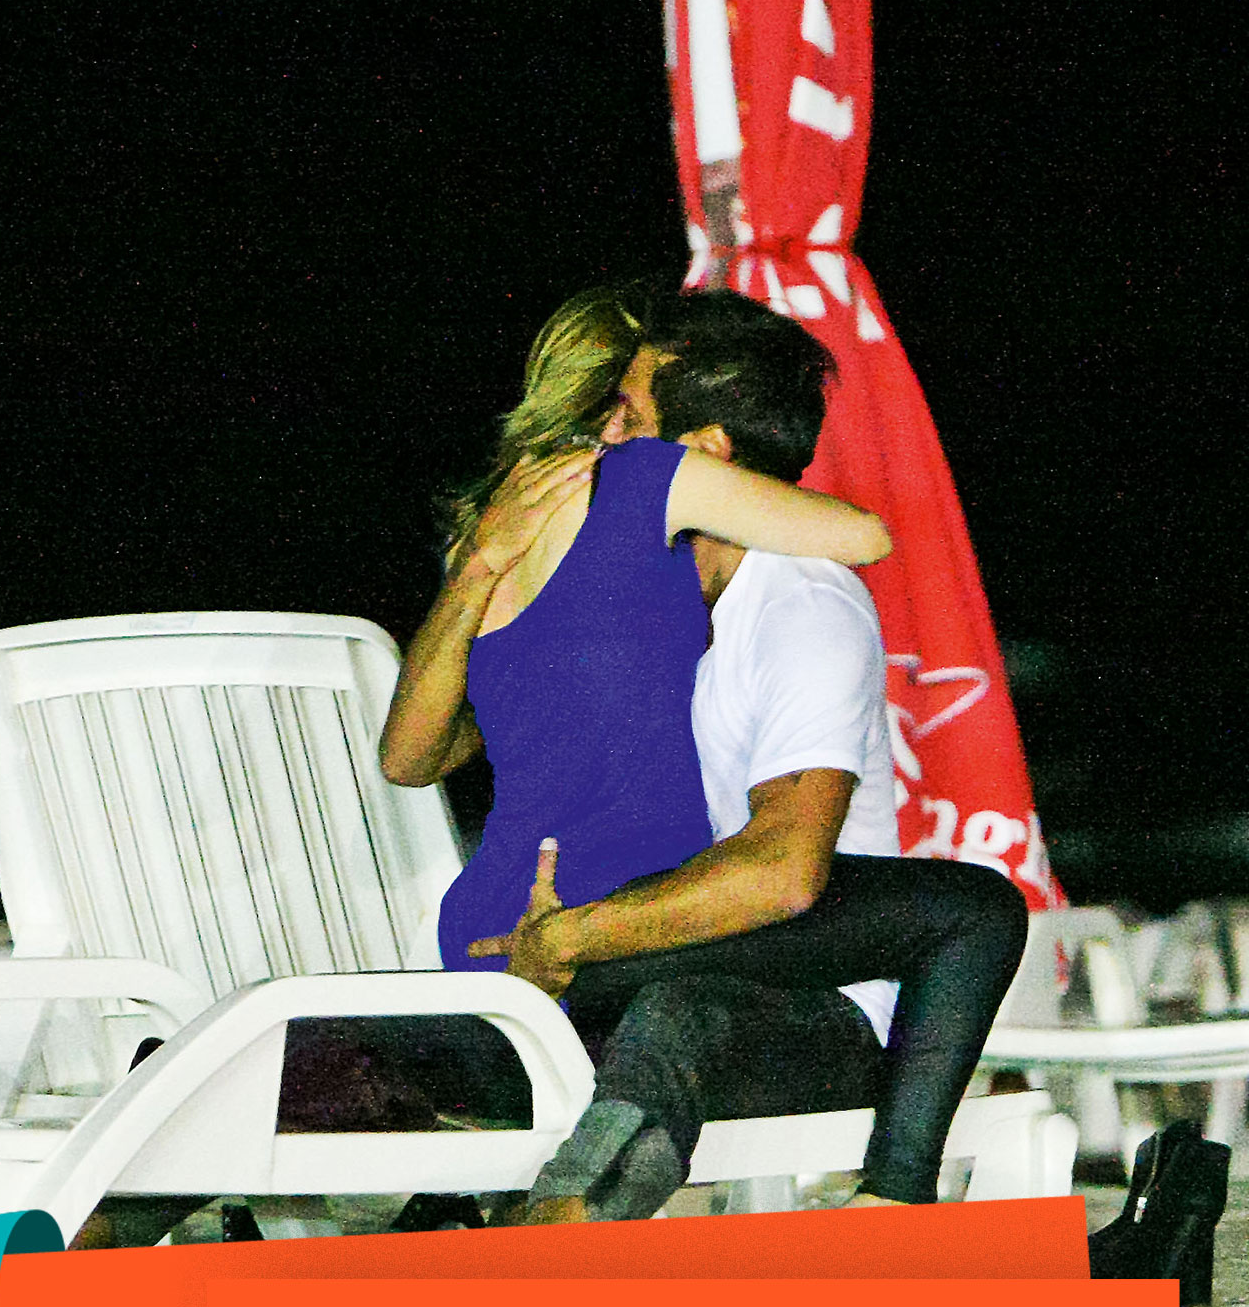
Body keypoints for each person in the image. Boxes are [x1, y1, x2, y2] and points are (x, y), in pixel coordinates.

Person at [466, 289, 1030, 1221]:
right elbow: (450, 747)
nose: (604, 437)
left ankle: (880, 1204)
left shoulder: (802, 607)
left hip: (817, 1009)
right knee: (523, 1016)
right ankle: (461, 1233)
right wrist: (484, 572)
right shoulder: (639, 599)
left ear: (705, 455)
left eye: (628, 418)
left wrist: (568, 939)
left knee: (957, 915)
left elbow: (784, 872)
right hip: (665, 960)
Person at [378, 289, 891, 981]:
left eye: (629, 411)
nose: (617, 432)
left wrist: (477, 562)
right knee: (965, 910)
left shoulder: (497, 538)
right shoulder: (647, 478)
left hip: (486, 923)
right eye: (620, 408)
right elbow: (868, 536)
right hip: (609, 926)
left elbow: (407, 761)